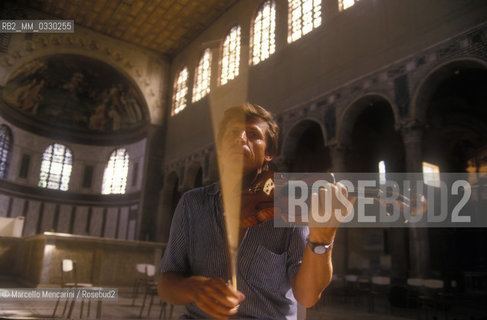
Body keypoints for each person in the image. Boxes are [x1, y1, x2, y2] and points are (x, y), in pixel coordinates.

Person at [157, 103, 349, 319]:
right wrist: (195, 288)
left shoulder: (289, 203)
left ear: (269, 152)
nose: (240, 138)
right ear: (220, 148)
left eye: (253, 134)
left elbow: (307, 296)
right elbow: (166, 284)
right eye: (232, 133)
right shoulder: (192, 203)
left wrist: (322, 240)